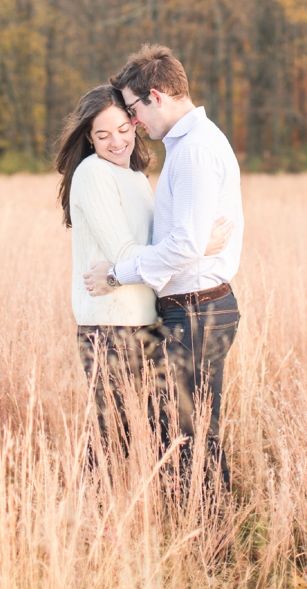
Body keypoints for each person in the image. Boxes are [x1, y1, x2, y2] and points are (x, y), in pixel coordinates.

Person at [82, 44, 244, 492]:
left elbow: (187, 243)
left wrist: (116, 274)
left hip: (196, 310)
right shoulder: (196, 142)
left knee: (188, 438)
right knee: (181, 432)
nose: (133, 123)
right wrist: (192, 246)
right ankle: (203, 540)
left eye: (133, 110)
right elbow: (188, 240)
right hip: (195, 309)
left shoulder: (193, 150)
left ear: (156, 96)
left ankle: (212, 550)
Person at [56, 84, 230, 460]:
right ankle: (92, 517)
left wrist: (186, 245)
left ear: (135, 124)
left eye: (123, 129)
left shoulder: (135, 177)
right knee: (109, 439)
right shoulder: (93, 173)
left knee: (146, 434)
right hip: (110, 325)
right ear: (88, 137)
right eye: (102, 135)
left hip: (144, 322)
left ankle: (141, 515)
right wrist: (196, 245)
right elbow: (125, 254)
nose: (116, 142)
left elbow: (151, 252)